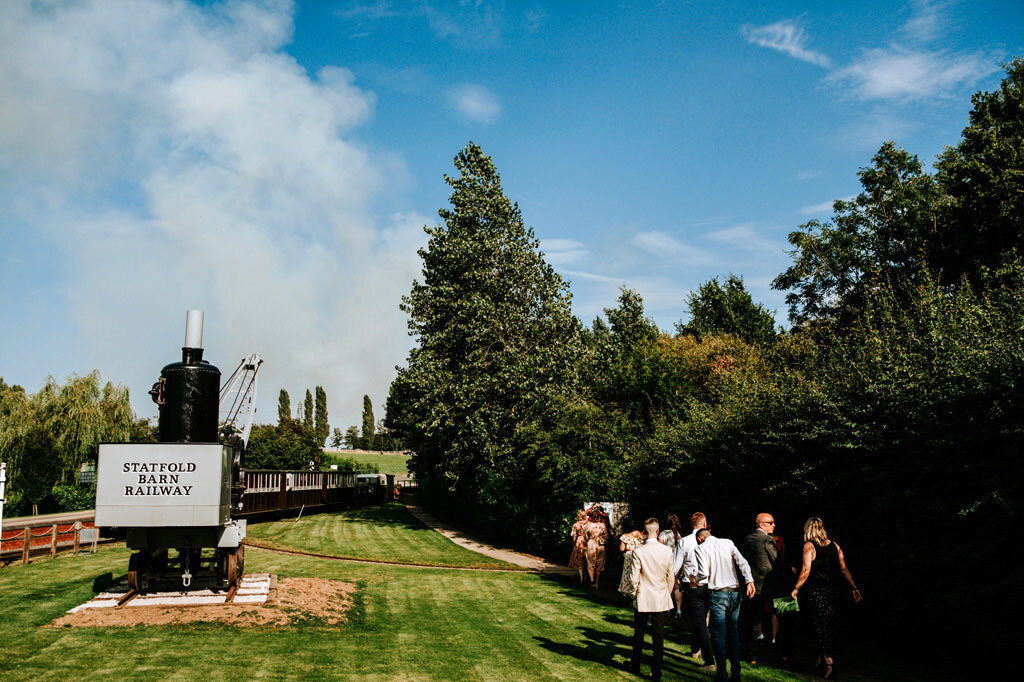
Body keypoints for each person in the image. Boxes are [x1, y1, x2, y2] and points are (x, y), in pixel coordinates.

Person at [791, 517, 862, 680]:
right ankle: (821, 658)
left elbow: (806, 570)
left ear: (808, 529)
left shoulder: (809, 546)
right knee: (829, 625)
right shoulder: (835, 545)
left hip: (817, 592)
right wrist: (854, 587)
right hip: (834, 592)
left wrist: (796, 588)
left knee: (817, 626)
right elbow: (844, 568)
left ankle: (829, 662)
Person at [696, 527, 756, 682]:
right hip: (735, 592)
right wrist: (749, 581)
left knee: (718, 637)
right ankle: (736, 674)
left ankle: (722, 675)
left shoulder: (700, 548)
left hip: (718, 594)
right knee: (734, 634)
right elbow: (742, 562)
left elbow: (703, 575)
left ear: (700, 539)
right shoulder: (728, 542)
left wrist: (693, 581)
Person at [629, 518, 675, 682]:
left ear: (644, 531)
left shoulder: (639, 551)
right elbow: (671, 576)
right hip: (660, 596)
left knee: (639, 633)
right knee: (658, 636)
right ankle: (656, 671)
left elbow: (634, 578)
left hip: (643, 596)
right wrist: (667, 593)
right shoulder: (667, 551)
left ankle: (635, 664)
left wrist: (633, 593)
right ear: (657, 531)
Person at [677, 512, 714, 669]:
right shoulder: (713, 541)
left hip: (692, 584)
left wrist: (676, 579)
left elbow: (675, 565)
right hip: (709, 583)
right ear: (704, 524)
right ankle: (694, 649)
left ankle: (709, 660)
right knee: (702, 618)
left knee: (699, 621)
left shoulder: (684, 541)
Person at [740, 513, 779, 663]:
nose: (773, 525)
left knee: (753, 621)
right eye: (771, 522)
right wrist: (791, 570)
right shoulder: (768, 539)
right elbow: (776, 561)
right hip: (769, 586)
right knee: (781, 614)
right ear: (761, 524)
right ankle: (782, 653)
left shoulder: (748, 539)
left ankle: (751, 655)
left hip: (753, 585)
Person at [658, 512, 685, 618]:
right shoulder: (679, 535)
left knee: (666, 586)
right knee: (677, 587)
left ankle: (667, 608)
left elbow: (659, 549)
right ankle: (678, 610)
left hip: (666, 563)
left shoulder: (663, 534)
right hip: (677, 563)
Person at [583, 507, 608, 590]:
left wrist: (590, 539)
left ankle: (592, 580)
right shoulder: (602, 525)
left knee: (590, 563)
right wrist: (602, 540)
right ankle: (597, 583)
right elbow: (606, 536)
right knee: (599, 565)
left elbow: (585, 537)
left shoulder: (588, 525)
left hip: (591, 543)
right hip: (600, 545)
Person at [618, 528, 645, 596]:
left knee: (628, 573)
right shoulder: (643, 536)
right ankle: (637, 592)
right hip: (639, 555)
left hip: (629, 557)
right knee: (638, 573)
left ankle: (628, 591)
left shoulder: (625, 536)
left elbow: (622, 549)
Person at [568, 510, 589, 584]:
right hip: (587, 542)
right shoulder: (588, 524)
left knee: (579, 560)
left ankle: (581, 578)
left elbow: (573, 535)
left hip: (579, 541)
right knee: (586, 559)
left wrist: (574, 543)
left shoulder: (576, 524)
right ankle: (586, 576)